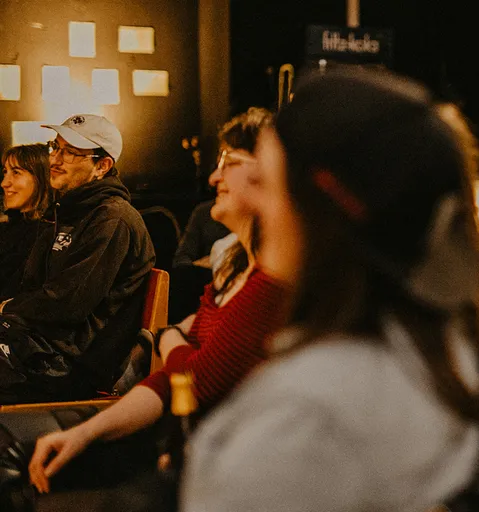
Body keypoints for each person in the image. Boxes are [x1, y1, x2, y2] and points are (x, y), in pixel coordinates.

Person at [180, 70, 479, 512]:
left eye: (268, 183)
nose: (255, 203)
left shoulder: (308, 414)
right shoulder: (445, 349)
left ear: (325, 206)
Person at [28, 107, 289, 493]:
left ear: (275, 176)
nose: (215, 176)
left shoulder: (272, 284)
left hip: (234, 465)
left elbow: (197, 379)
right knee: (32, 462)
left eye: (230, 162)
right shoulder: (233, 269)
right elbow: (172, 380)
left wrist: (171, 341)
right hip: (186, 435)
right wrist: (85, 433)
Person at [0, 114, 155, 403]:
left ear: (102, 166)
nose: (56, 159)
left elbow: (66, 303)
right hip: (39, 347)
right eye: (55, 148)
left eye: (70, 153)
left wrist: (7, 307)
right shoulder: (67, 212)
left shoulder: (112, 218)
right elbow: (34, 287)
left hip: (69, 366)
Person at [0, 144, 52, 295]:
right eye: (5, 172)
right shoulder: (9, 227)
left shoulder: (47, 234)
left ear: (41, 178)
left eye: (16, 173)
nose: (4, 183)